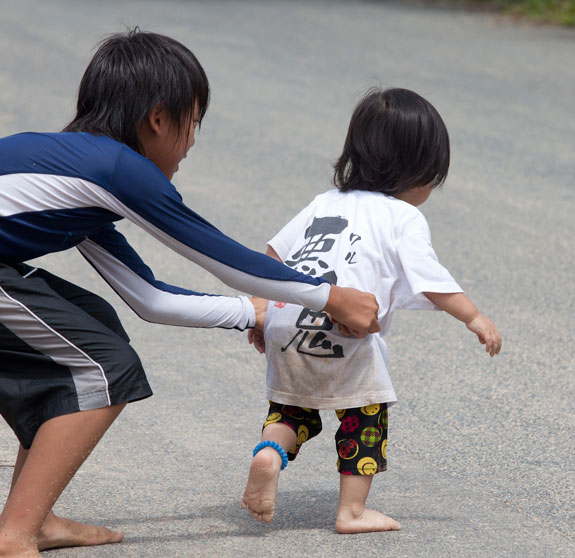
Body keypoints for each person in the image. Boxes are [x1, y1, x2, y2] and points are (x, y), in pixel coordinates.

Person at [0, 30, 380, 558]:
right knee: (103, 367)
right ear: (158, 118)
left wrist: (251, 313)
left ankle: (32, 519)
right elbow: (226, 260)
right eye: (193, 122)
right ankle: (15, 536)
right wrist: (329, 296)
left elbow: (148, 298)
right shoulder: (119, 169)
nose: (193, 142)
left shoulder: (75, 172)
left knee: (93, 323)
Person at [241, 87, 502, 534]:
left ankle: (270, 454)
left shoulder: (325, 201)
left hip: (288, 326)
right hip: (349, 335)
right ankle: (352, 512)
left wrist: (261, 312)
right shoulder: (404, 216)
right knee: (364, 417)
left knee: (291, 411)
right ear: (421, 171)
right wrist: (474, 317)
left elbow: (272, 255)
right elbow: (431, 279)